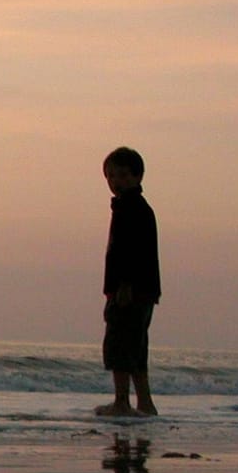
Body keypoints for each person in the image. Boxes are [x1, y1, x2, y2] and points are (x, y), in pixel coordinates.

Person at [97, 146, 161, 417]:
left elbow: (130, 252)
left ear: (137, 177)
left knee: (120, 346)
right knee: (136, 348)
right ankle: (144, 402)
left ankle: (122, 401)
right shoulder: (134, 208)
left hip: (130, 290)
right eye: (111, 176)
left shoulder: (131, 209)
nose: (116, 181)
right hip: (143, 289)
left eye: (122, 175)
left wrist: (123, 286)